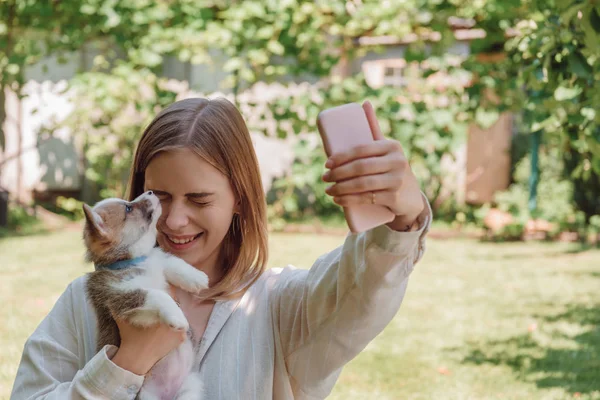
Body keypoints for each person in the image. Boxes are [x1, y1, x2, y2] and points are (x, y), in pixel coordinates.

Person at [11, 97, 431, 399]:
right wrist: (125, 364)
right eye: (159, 195)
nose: (174, 220)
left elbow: (360, 293)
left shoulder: (281, 306)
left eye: (199, 199)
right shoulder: (83, 304)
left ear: (240, 200)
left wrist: (402, 218)